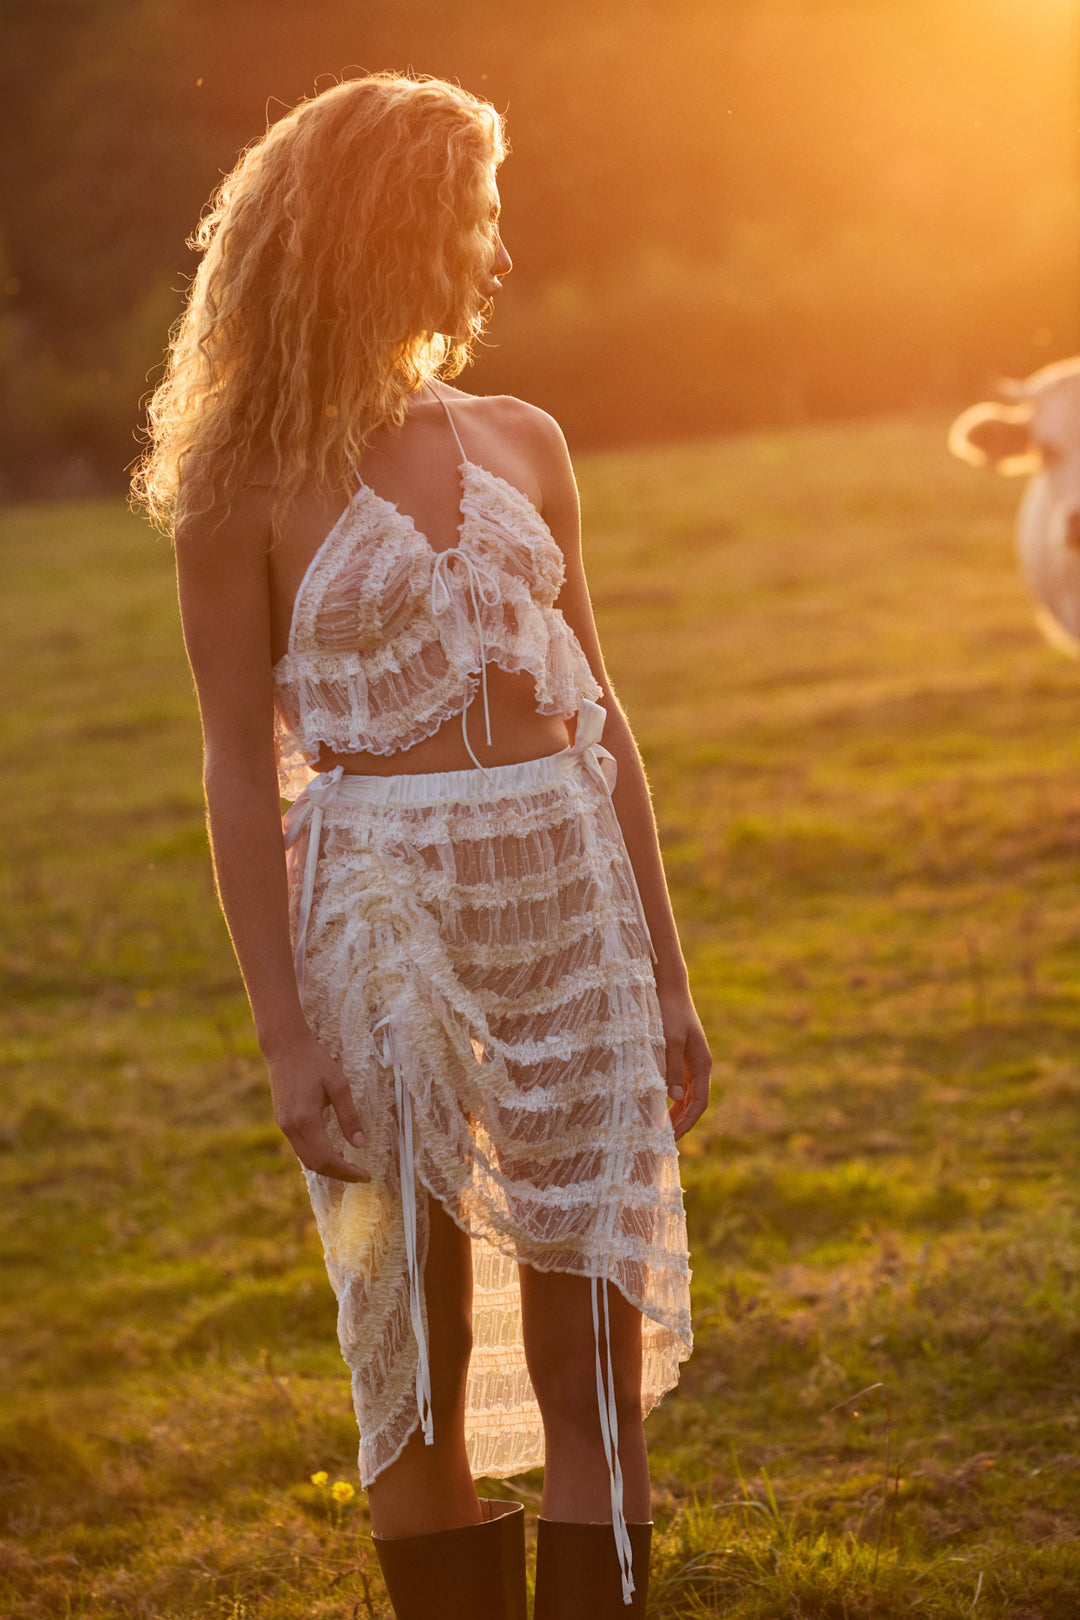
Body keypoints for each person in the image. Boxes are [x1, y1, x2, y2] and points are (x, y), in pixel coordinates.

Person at [133, 70, 711, 1619]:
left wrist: (667, 974)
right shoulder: (237, 484)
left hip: (567, 891)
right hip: (382, 906)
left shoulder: (525, 437)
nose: (493, 253)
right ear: (384, 235)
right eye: (469, 218)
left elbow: (603, 714)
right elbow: (238, 773)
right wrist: (282, 1038)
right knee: (424, 1345)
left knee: (590, 1343)